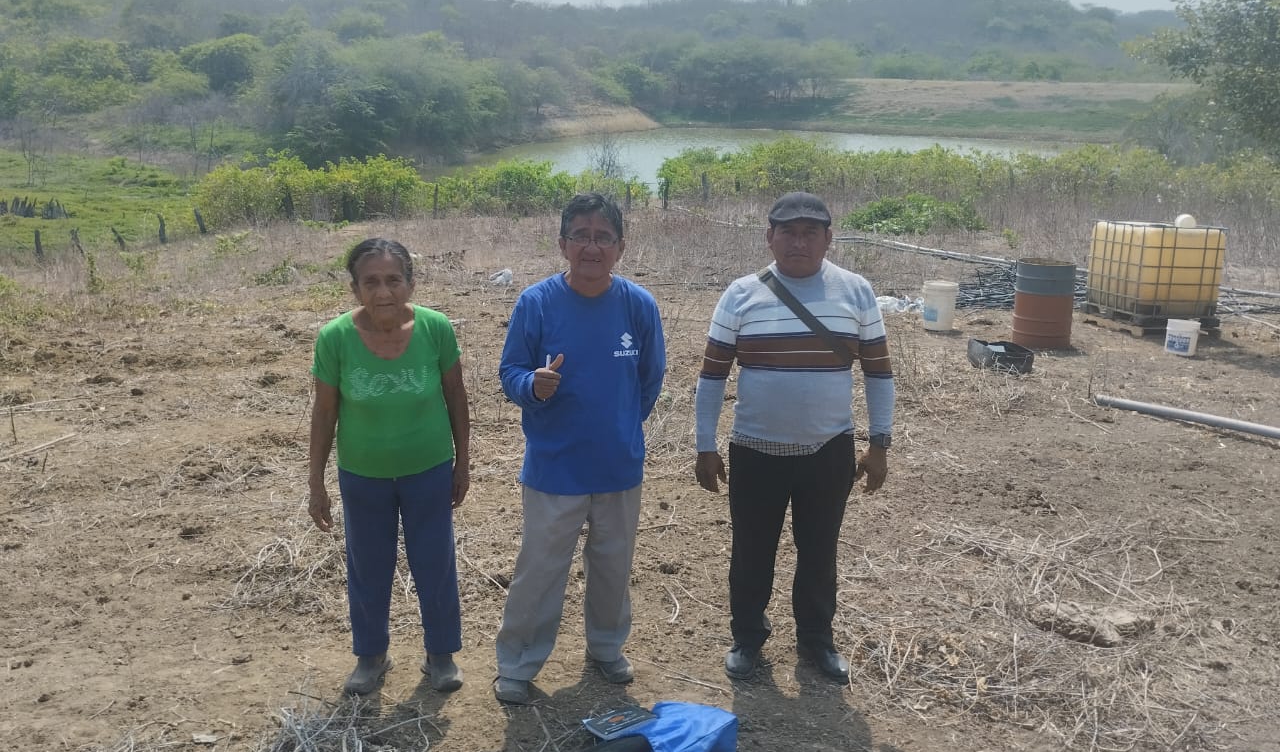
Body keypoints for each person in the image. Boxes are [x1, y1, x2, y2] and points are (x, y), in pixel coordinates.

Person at [694, 192, 895, 682]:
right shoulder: (740, 294)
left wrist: (879, 445)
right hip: (754, 449)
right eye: (788, 232)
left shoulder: (856, 292)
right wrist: (705, 446)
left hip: (828, 450)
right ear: (769, 237)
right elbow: (712, 376)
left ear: (828, 239)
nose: (798, 242)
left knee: (820, 551)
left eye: (810, 233)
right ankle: (747, 638)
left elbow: (878, 373)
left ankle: (816, 641)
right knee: (751, 551)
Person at [494, 193, 666, 705]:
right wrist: (532, 385)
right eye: (581, 236)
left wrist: (621, 427)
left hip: (618, 464)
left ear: (620, 247)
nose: (592, 247)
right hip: (555, 465)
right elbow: (510, 370)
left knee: (613, 565)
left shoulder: (639, 305)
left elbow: (650, 379)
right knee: (540, 569)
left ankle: (606, 648)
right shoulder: (536, 303)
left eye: (603, 237)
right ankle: (518, 663)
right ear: (562, 244)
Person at [308, 237, 471, 695]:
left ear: (411, 284)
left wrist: (462, 462)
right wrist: (316, 482)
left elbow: (456, 396)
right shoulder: (335, 338)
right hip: (363, 474)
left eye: (394, 280)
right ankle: (371, 655)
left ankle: (441, 654)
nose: (383, 292)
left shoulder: (436, 328)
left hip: (428, 468)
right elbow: (324, 412)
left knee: (434, 562)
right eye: (371, 282)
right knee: (368, 565)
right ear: (355, 288)